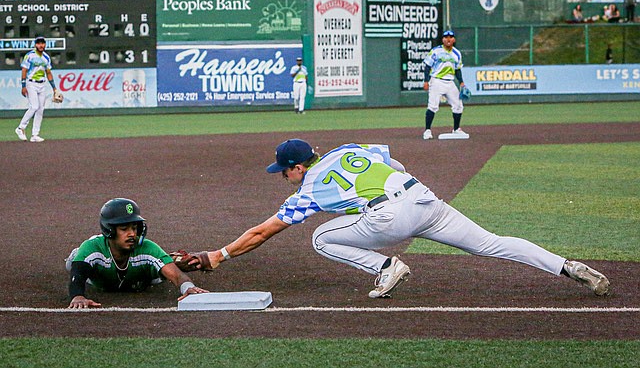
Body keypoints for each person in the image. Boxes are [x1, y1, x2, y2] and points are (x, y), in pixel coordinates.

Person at [190, 139, 611, 299]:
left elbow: (265, 231)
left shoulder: (310, 187)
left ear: (298, 166)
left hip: (391, 214)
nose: (282, 176)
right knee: (493, 242)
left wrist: (219, 256)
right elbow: (392, 158)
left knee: (321, 238)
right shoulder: (348, 148)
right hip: (423, 198)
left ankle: (387, 266)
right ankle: (566, 266)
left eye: (283, 170)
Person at [65, 198, 208, 308]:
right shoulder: (93, 248)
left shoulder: (147, 247)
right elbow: (78, 276)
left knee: (156, 275)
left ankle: (166, 263)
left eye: (134, 228)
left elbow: (177, 276)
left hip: (138, 275)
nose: (132, 234)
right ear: (109, 229)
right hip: (96, 274)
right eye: (124, 228)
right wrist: (78, 296)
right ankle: (168, 261)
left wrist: (188, 288)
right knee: (73, 263)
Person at [422, 30, 467, 140]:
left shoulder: (456, 53)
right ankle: (427, 130)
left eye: (451, 37)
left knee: (458, 105)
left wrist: (461, 82)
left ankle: (456, 129)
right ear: (443, 39)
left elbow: (457, 69)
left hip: (450, 82)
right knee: (433, 106)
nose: (448, 39)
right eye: (446, 37)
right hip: (437, 80)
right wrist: (426, 81)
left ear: (454, 39)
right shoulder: (436, 51)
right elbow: (427, 66)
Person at [15, 36, 58, 143]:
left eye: (42, 43)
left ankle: (35, 135)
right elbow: (24, 70)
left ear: (45, 45)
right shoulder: (29, 56)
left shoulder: (46, 58)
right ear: (35, 45)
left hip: (42, 84)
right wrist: (23, 85)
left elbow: (48, 73)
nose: (41, 45)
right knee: (34, 106)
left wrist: (54, 88)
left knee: (40, 109)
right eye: (38, 43)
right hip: (31, 83)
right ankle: (20, 128)